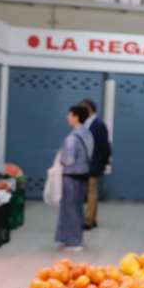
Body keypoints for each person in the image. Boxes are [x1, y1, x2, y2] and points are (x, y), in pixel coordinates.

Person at [55, 104, 94, 251]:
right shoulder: (87, 134)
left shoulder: (72, 137)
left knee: (69, 208)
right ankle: (72, 238)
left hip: (71, 175)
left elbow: (68, 159)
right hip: (83, 174)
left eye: (69, 115)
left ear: (76, 117)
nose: (67, 117)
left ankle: (72, 241)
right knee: (77, 208)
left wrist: (61, 159)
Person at [80, 98, 111, 230]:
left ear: (89, 109)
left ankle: (88, 221)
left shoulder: (99, 124)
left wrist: (103, 163)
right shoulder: (86, 123)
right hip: (86, 164)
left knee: (91, 192)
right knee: (91, 192)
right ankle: (93, 219)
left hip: (95, 164)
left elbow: (105, 146)